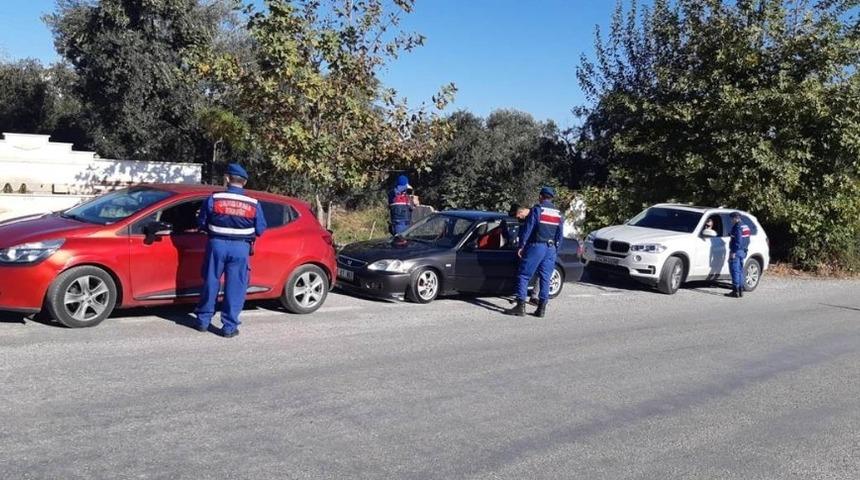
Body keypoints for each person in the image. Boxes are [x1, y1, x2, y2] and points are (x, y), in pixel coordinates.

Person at [195, 163, 267, 337]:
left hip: (216, 245)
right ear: (245, 182)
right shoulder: (253, 203)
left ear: (227, 179)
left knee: (211, 281)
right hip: (241, 248)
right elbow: (261, 229)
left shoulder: (215, 199)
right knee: (235, 286)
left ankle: (203, 321)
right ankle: (229, 327)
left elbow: (202, 223)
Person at [506, 186, 564, 317]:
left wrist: (522, 245)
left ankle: (520, 307)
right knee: (545, 278)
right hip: (551, 248)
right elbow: (560, 234)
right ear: (551, 198)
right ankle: (541, 309)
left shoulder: (537, 209)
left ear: (540, 196)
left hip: (537, 246)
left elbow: (528, 228)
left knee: (524, 275)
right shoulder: (558, 213)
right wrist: (556, 250)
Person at [726, 211, 751, 298]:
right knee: (740, 271)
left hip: (736, 251)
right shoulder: (745, 226)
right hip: (743, 251)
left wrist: (733, 251)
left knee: (735, 271)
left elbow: (738, 241)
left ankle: (735, 291)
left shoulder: (737, 227)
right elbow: (747, 239)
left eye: (732, 219)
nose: (731, 221)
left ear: (736, 218)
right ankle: (740, 291)